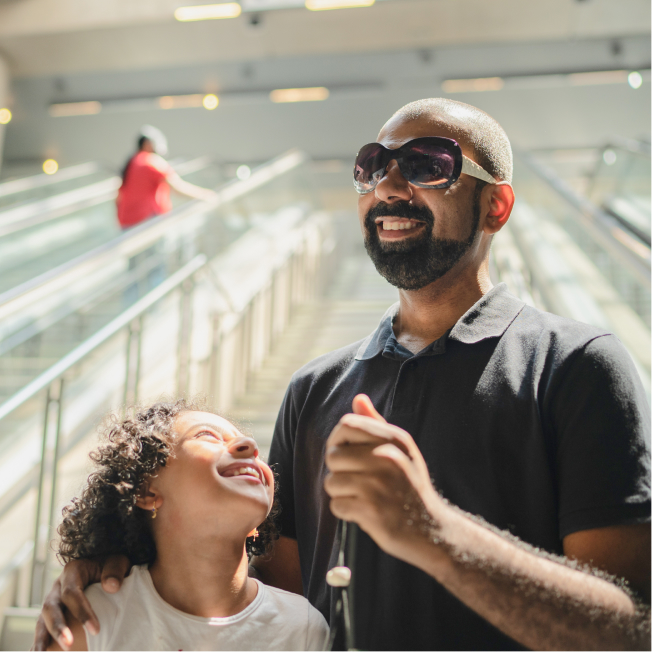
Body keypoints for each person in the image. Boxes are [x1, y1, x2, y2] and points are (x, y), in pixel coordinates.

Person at [35, 99, 650, 651]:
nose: (388, 186)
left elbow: (630, 628)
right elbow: (260, 595)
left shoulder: (576, 366)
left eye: (428, 164)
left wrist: (433, 534)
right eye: (372, 166)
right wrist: (119, 568)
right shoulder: (314, 390)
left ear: (496, 205)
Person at [46, 399, 328, 651]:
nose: (250, 448)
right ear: (145, 491)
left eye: (253, 448)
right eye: (207, 435)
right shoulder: (93, 619)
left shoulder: (304, 629)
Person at [116, 125, 216, 229]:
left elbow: (119, 196)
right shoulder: (151, 162)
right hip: (146, 223)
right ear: (148, 144)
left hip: (127, 224)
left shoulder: (132, 162)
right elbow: (178, 187)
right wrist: (206, 195)